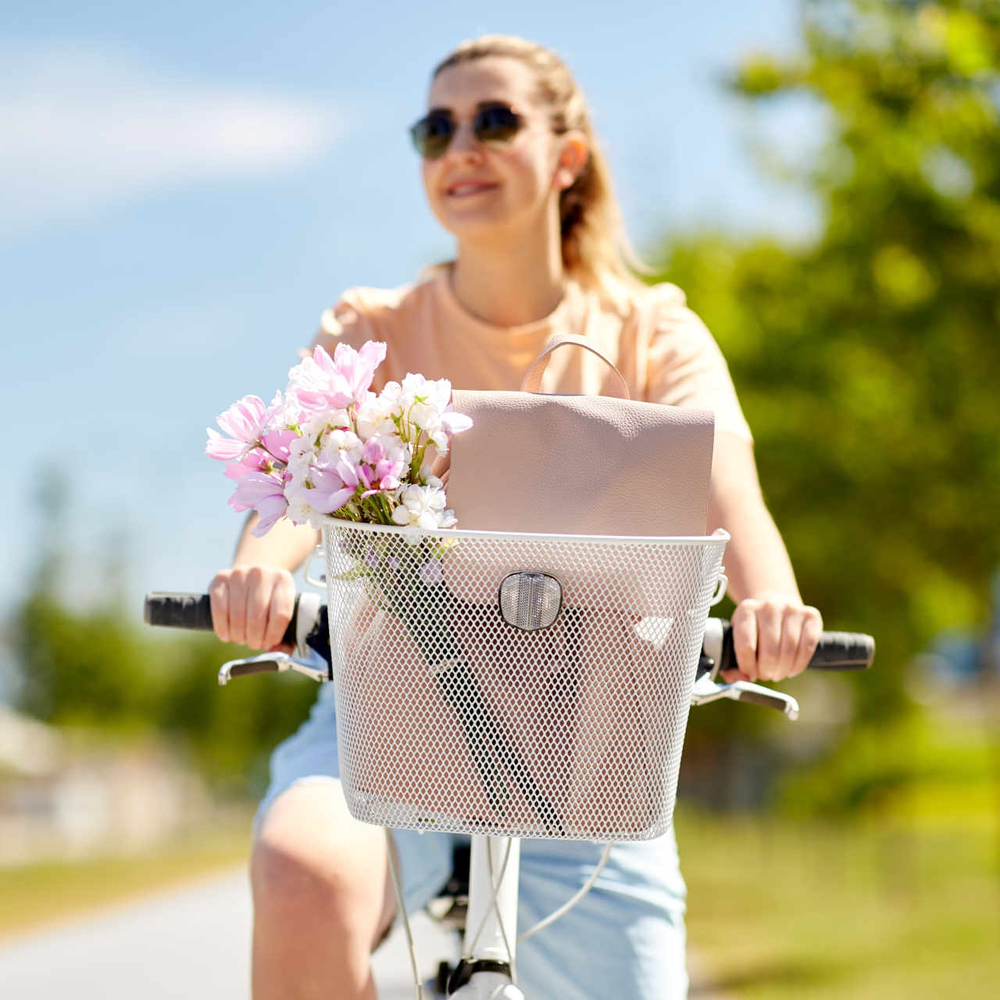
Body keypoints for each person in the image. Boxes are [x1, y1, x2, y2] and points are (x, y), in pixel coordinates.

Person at [209, 34, 823, 1000]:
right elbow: (306, 479)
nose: (462, 147)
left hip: (593, 732)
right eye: (435, 128)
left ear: (567, 156)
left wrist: (772, 605)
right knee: (302, 870)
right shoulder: (373, 325)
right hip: (390, 699)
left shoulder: (651, 331)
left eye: (494, 121)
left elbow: (725, 487)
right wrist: (260, 569)